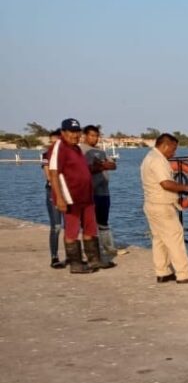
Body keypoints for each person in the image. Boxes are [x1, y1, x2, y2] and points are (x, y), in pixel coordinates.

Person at [46, 117, 115, 273]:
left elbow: (83, 170)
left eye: (77, 132)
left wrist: (97, 168)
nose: (75, 135)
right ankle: (76, 264)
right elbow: (54, 174)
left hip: (86, 197)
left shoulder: (76, 149)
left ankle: (94, 260)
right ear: (63, 132)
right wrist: (60, 198)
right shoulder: (58, 147)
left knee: (90, 228)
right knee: (72, 230)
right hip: (71, 197)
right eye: (71, 132)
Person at [140, 133, 188, 284]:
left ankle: (162, 272)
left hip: (151, 204)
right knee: (175, 235)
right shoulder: (158, 160)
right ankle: (184, 274)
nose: (174, 153)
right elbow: (166, 184)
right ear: (165, 145)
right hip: (162, 206)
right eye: (173, 149)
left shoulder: (148, 158)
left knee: (159, 239)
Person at [81, 124, 124, 262]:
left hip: (104, 192)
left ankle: (109, 247)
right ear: (85, 136)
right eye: (92, 135)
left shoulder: (101, 151)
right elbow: (85, 170)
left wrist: (102, 165)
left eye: (97, 136)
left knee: (103, 221)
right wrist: (99, 166)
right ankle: (90, 251)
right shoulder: (81, 150)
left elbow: (113, 165)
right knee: (89, 223)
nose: (95, 138)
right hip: (90, 192)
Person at [41, 129, 65, 268]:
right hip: (53, 192)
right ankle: (54, 257)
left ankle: (72, 256)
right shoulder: (46, 155)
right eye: (51, 141)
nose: (52, 144)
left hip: (67, 193)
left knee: (70, 226)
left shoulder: (67, 155)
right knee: (56, 226)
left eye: (55, 141)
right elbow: (48, 175)